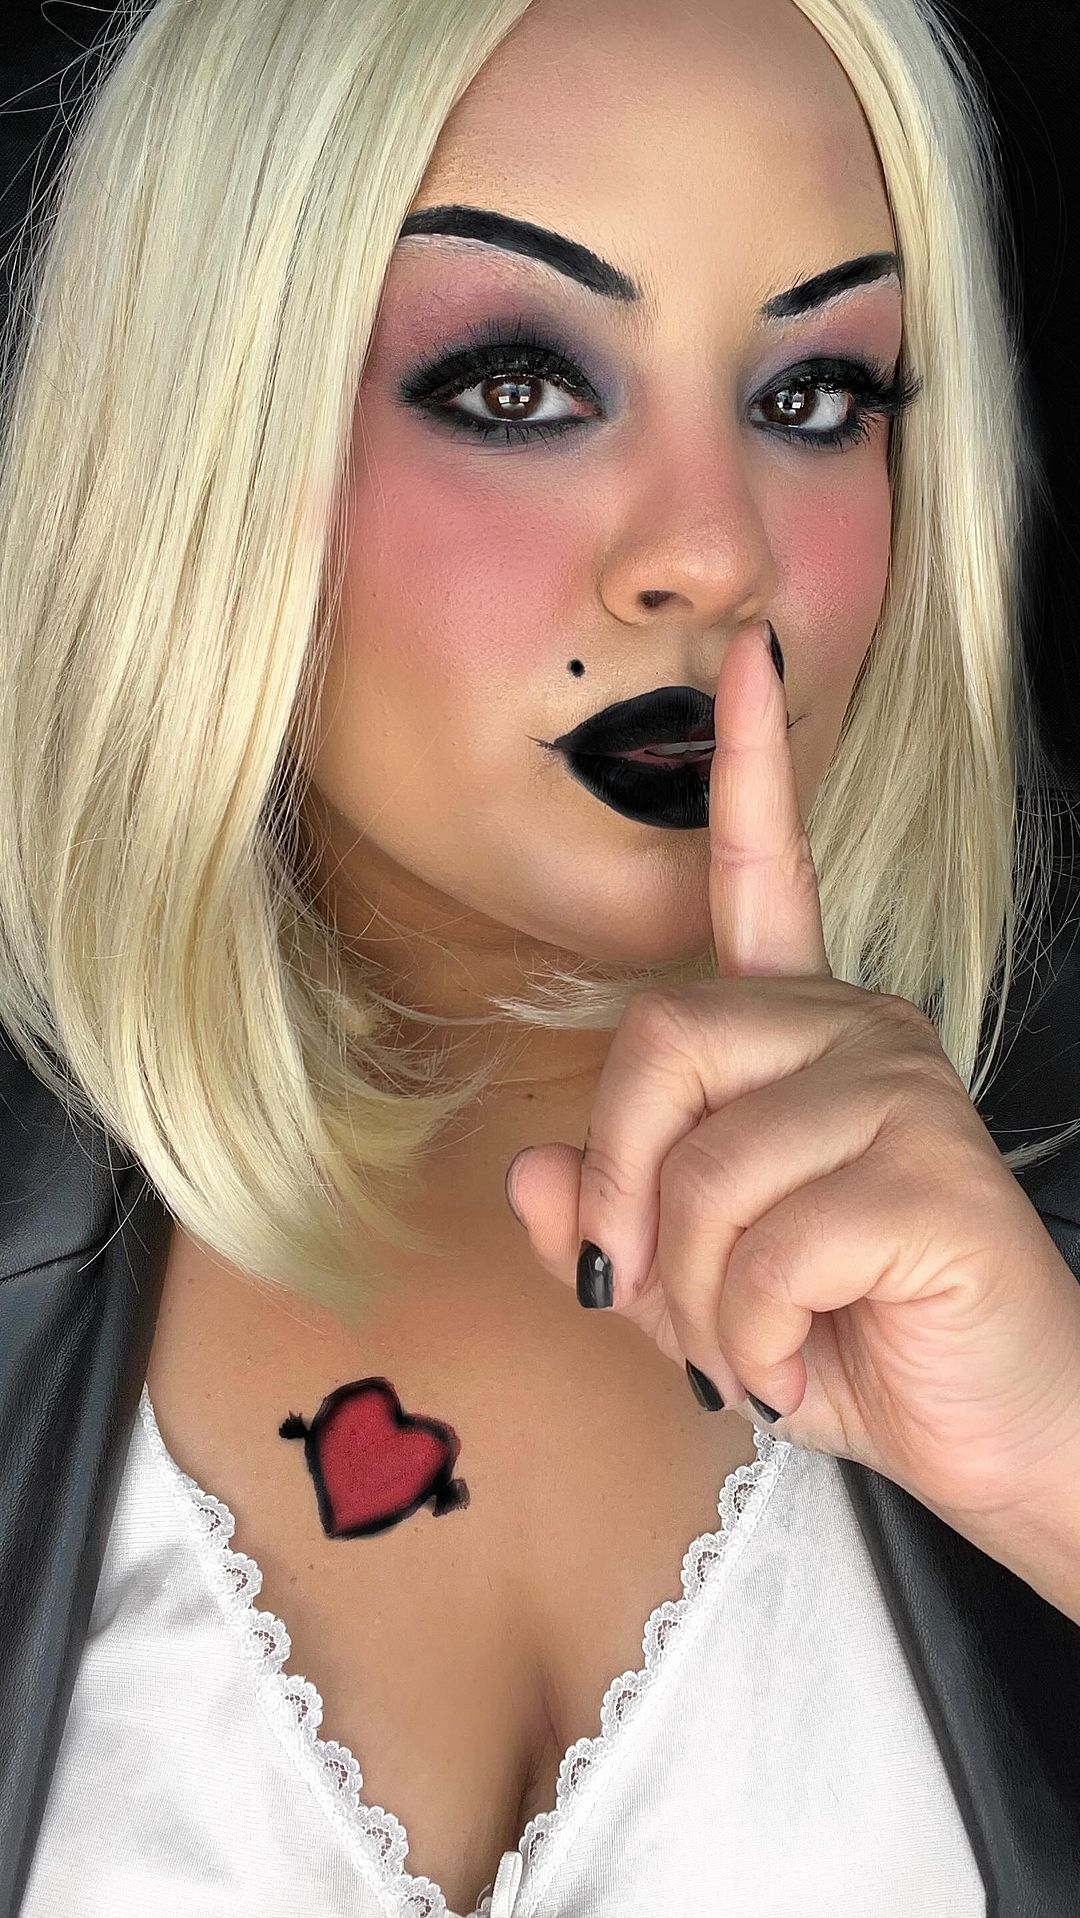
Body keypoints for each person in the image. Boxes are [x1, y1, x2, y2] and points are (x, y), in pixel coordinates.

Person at [1, 0, 1078, 1914]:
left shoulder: (1028, 1283)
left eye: (814, 396)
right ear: (204, 441)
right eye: (517, 387)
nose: (712, 554)